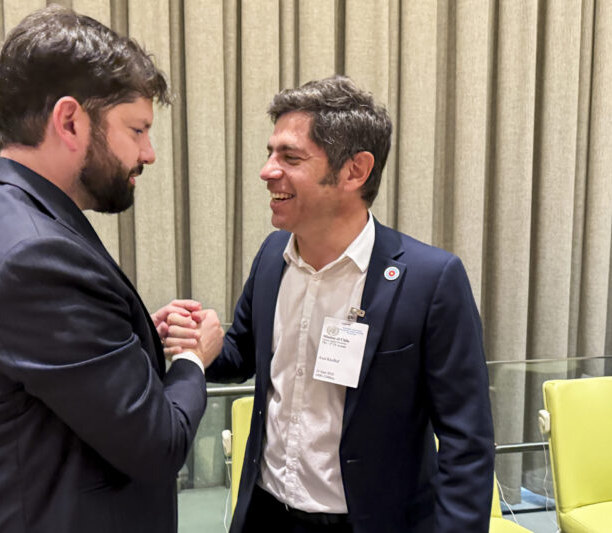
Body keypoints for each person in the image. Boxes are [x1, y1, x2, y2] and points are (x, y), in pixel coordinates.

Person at [0, 6, 223, 533]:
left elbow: (43, 377)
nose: (149, 153)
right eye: (137, 129)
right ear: (69, 121)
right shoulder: (34, 258)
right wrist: (193, 360)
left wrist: (129, 340)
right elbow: (159, 444)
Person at [169, 75, 494, 532]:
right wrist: (196, 342)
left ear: (355, 170)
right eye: (270, 153)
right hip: (267, 514)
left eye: (290, 157)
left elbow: (467, 440)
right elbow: (241, 353)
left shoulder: (430, 280)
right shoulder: (272, 256)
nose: (266, 171)